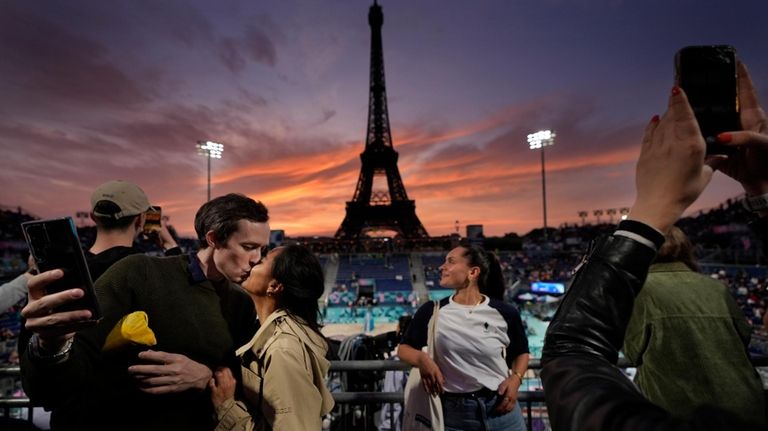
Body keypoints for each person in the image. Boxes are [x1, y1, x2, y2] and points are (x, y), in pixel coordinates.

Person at [541, 61, 768, 430]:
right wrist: (762, 192)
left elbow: (575, 352)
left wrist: (649, 210)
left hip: (669, 406)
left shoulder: (641, 289)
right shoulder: (714, 286)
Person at [20, 193, 266, 430]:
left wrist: (206, 378)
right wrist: (51, 345)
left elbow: (248, 380)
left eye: (262, 250)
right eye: (249, 247)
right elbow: (55, 388)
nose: (257, 259)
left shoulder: (241, 302)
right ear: (214, 239)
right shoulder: (139, 273)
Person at [623, 226, 766, 425]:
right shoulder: (716, 287)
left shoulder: (640, 291)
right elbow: (744, 337)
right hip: (747, 407)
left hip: (684, 413)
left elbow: (632, 352)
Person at [398, 245, 529, 431]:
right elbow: (403, 349)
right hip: (454, 415)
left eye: (450, 261)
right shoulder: (431, 311)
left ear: (473, 272)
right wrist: (422, 359)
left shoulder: (505, 312)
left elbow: (521, 352)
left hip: (502, 410)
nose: (441, 267)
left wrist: (516, 379)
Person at [209, 244, 334, 430]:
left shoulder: (283, 350)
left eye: (261, 260)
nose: (252, 261)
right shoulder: (276, 337)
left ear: (274, 286)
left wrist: (226, 406)